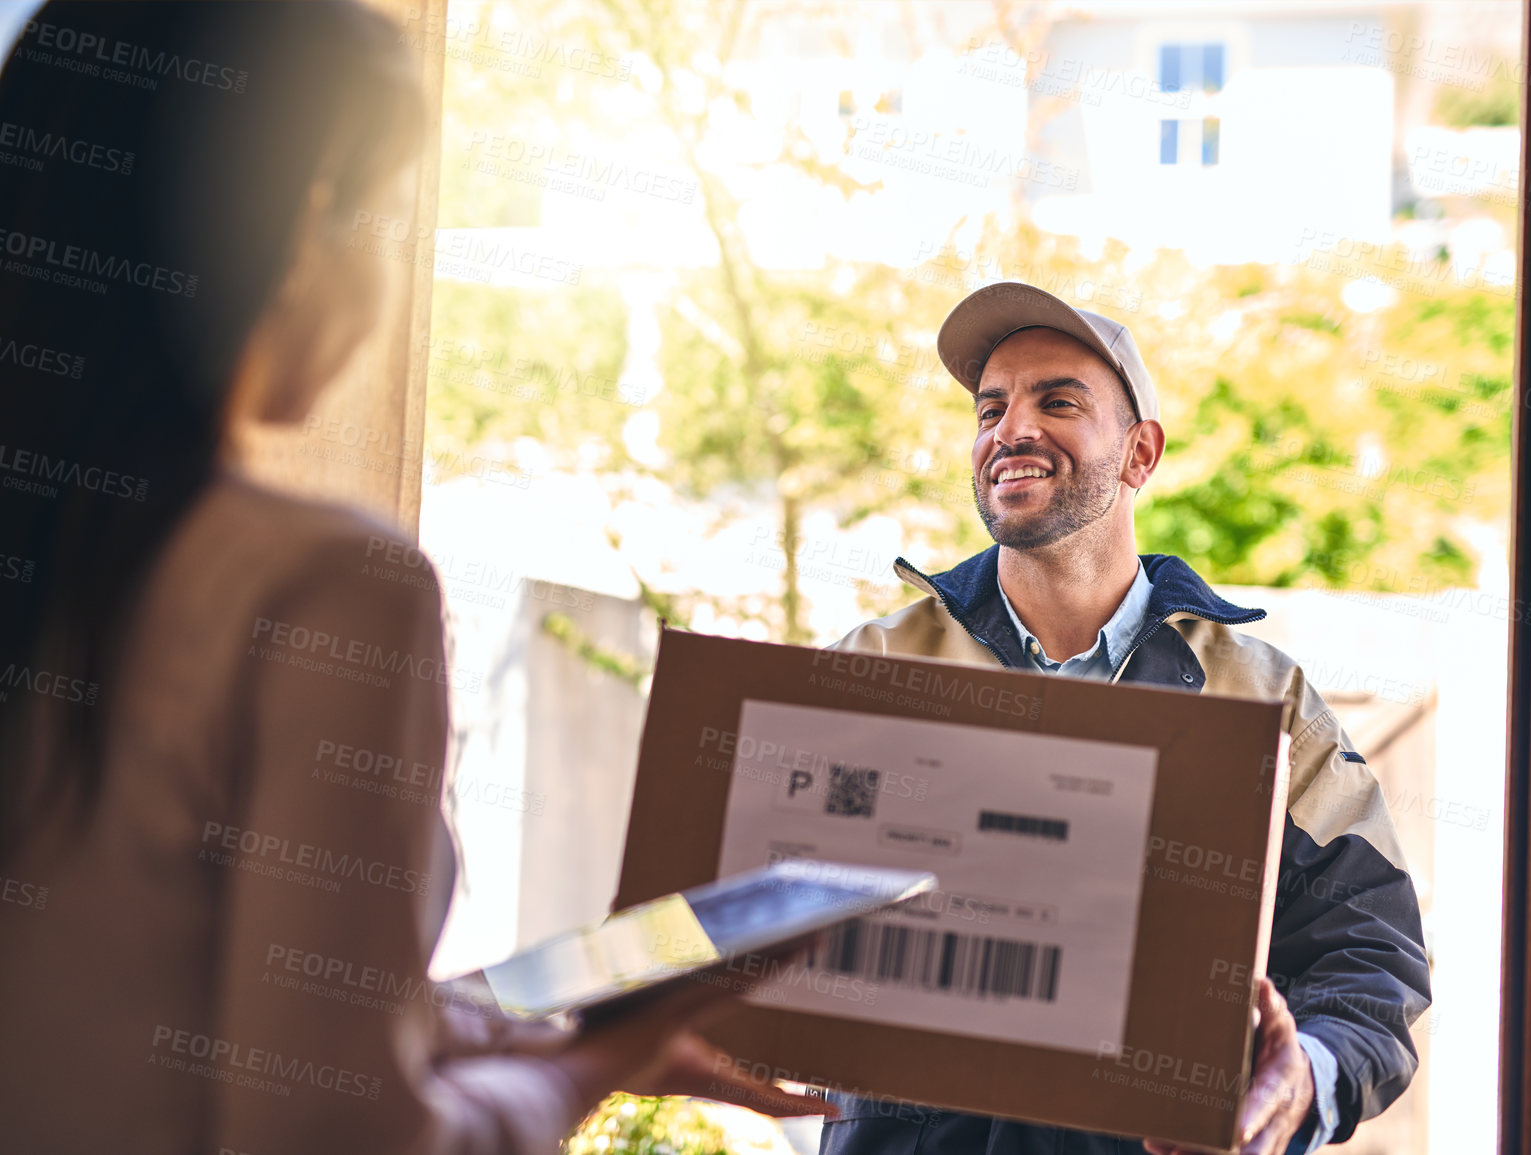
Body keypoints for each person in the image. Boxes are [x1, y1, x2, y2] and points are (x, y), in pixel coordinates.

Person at [0, 4, 819, 1152]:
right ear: (306, 220)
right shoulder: (327, 589)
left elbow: (138, 991)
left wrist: (512, 1023)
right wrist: (601, 1060)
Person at [819, 283, 1432, 1155]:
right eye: (990, 407)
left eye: (1056, 401)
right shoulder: (878, 666)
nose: (1010, 430)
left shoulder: (1259, 698)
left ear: (1139, 453)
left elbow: (1369, 958)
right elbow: (749, 901)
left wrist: (1302, 1077)